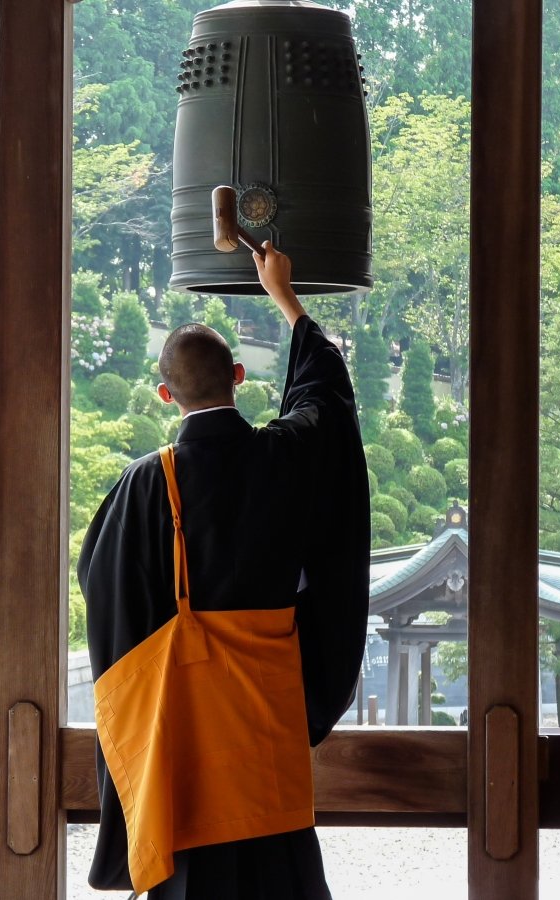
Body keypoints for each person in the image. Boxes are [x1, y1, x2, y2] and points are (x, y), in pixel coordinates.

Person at [79, 242, 371, 899]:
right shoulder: (286, 456)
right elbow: (327, 401)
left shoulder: (146, 485)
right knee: (280, 870)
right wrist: (286, 300)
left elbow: (104, 585)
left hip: (188, 733)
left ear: (164, 393)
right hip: (267, 717)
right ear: (238, 375)